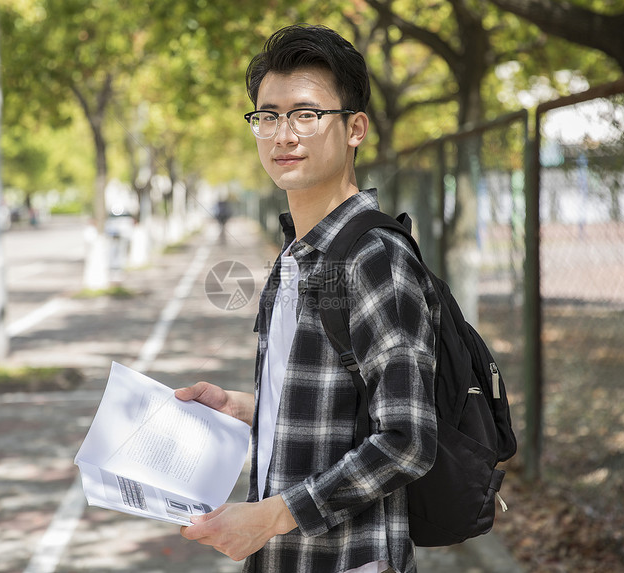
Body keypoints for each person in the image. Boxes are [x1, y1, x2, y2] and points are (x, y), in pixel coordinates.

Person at [176, 24, 439, 573]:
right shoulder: (302, 254)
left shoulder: (374, 257)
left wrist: (271, 516)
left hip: (347, 560)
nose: (283, 135)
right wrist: (248, 410)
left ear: (355, 129)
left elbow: (407, 439)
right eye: (268, 116)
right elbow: (341, 399)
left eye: (306, 114)